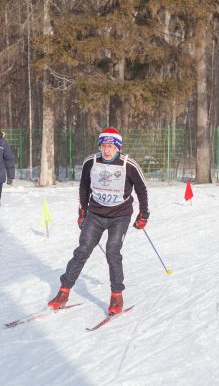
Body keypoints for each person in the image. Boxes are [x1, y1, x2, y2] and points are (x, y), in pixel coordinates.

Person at [48, 128, 149, 315]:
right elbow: (84, 186)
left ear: (118, 147)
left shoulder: (129, 164)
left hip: (120, 215)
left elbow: (142, 189)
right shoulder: (91, 162)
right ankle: (63, 291)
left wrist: (144, 214)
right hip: (95, 214)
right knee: (82, 250)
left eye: (111, 146)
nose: (107, 150)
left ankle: (116, 295)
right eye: (103, 146)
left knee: (112, 251)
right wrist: (82, 211)